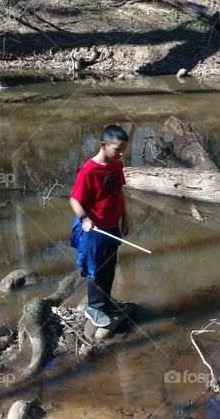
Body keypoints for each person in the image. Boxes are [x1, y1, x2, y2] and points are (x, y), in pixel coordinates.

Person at [69, 124, 131, 327]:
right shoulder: (89, 171)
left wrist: (126, 218)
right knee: (96, 268)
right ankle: (93, 308)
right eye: (117, 149)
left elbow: (119, 192)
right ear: (104, 145)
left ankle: (105, 302)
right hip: (94, 229)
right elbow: (74, 200)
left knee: (110, 266)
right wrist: (85, 219)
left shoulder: (116, 165)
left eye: (123, 150)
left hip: (113, 225)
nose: (121, 154)